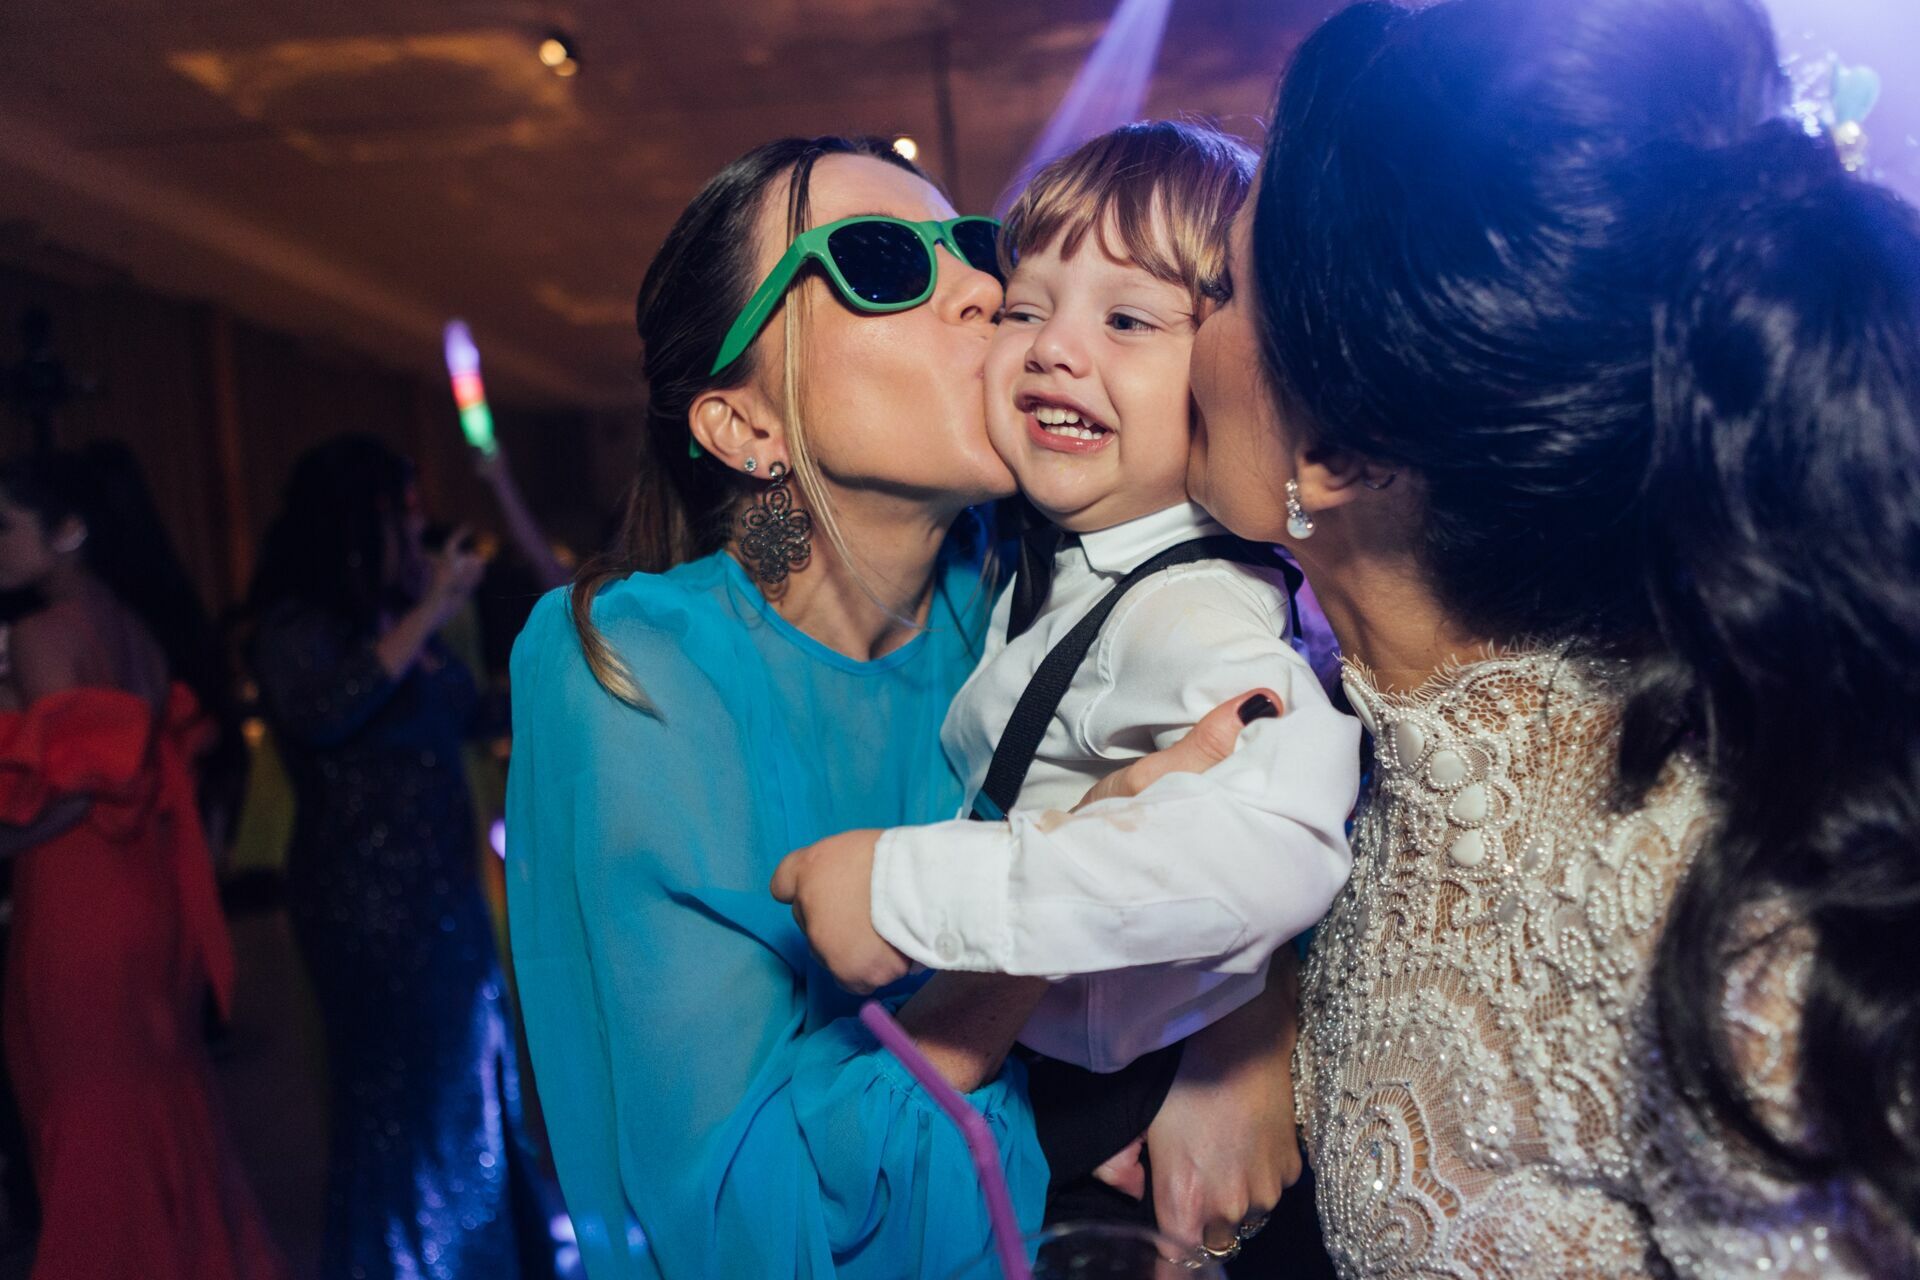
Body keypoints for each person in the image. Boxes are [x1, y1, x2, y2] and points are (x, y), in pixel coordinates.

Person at [1176, 0, 1920, 1272]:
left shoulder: (1701, 916)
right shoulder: (1341, 735)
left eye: (1219, 291)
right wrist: (1235, 1018)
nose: (1184, 334)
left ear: (1335, 454)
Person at [505, 134, 1301, 1279]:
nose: (987, 287)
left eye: (974, 247)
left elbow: (1285, 790)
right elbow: (745, 1231)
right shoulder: (635, 674)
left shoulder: (1033, 594)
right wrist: (1055, 896)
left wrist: (1244, 1034)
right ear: (746, 424)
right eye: (882, 261)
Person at [771, 121, 1359, 1236]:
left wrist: (915, 891)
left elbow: (1281, 843)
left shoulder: (1193, 605)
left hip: (1118, 1141)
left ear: (1237, 370)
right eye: (1025, 308)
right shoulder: (1045, 555)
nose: (1050, 349)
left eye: (1128, 319)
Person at [248, 435, 529, 1280]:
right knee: (395, 1109)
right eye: (399, 523)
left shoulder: (409, 621)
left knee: (470, 1086)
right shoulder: (295, 631)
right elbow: (329, 711)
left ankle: (478, 1259)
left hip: (448, 893)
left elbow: (473, 716)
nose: (417, 539)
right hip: (364, 908)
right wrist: (429, 611)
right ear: (351, 531)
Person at [0, 447, 284, 1280]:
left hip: (79, 898)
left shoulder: (43, 632)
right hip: (149, 894)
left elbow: (72, 795)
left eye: (3, 527)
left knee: (89, 1116)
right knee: (158, 1102)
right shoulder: (131, 621)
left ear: (69, 532)